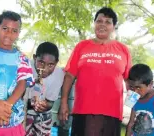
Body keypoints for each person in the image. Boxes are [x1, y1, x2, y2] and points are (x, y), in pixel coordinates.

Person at [59, 7, 132, 136]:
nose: (102, 24)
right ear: (94, 24)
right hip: (83, 112)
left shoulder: (123, 50)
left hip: (112, 114)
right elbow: (69, 76)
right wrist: (63, 103)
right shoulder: (81, 46)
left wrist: (133, 110)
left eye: (108, 22)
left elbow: (130, 83)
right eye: (99, 21)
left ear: (114, 27)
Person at [24, 42, 65, 136]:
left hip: (43, 116)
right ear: (35, 58)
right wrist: (30, 103)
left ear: (56, 63)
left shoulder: (58, 74)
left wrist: (46, 105)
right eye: (41, 62)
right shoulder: (25, 68)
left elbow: (51, 102)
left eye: (50, 65)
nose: (45, 69)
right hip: (22, 113)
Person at [125, 64, 154, 136]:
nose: (135, 91)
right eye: (132, 87)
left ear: (150, 84)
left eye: (138, 88)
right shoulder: (133, 96)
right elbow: (131, 123)